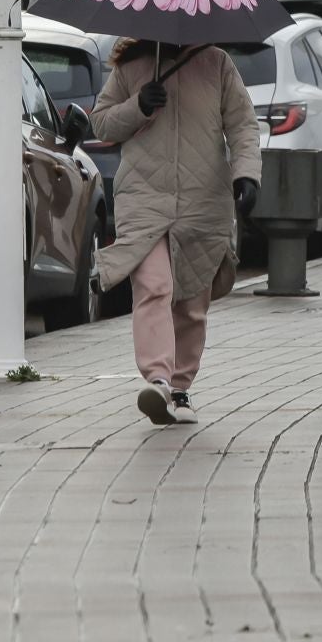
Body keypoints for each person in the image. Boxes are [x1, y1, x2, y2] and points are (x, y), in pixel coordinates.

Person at [91, 38, 261, 427]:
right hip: (144, 198)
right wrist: (138, 106)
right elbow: (101, 121)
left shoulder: (217, 63)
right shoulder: (133, 65)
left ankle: (181, 389)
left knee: (191, 301)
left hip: (204, 201)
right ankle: (159, 380)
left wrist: (247, 174)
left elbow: (242, 125)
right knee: (154, 285)